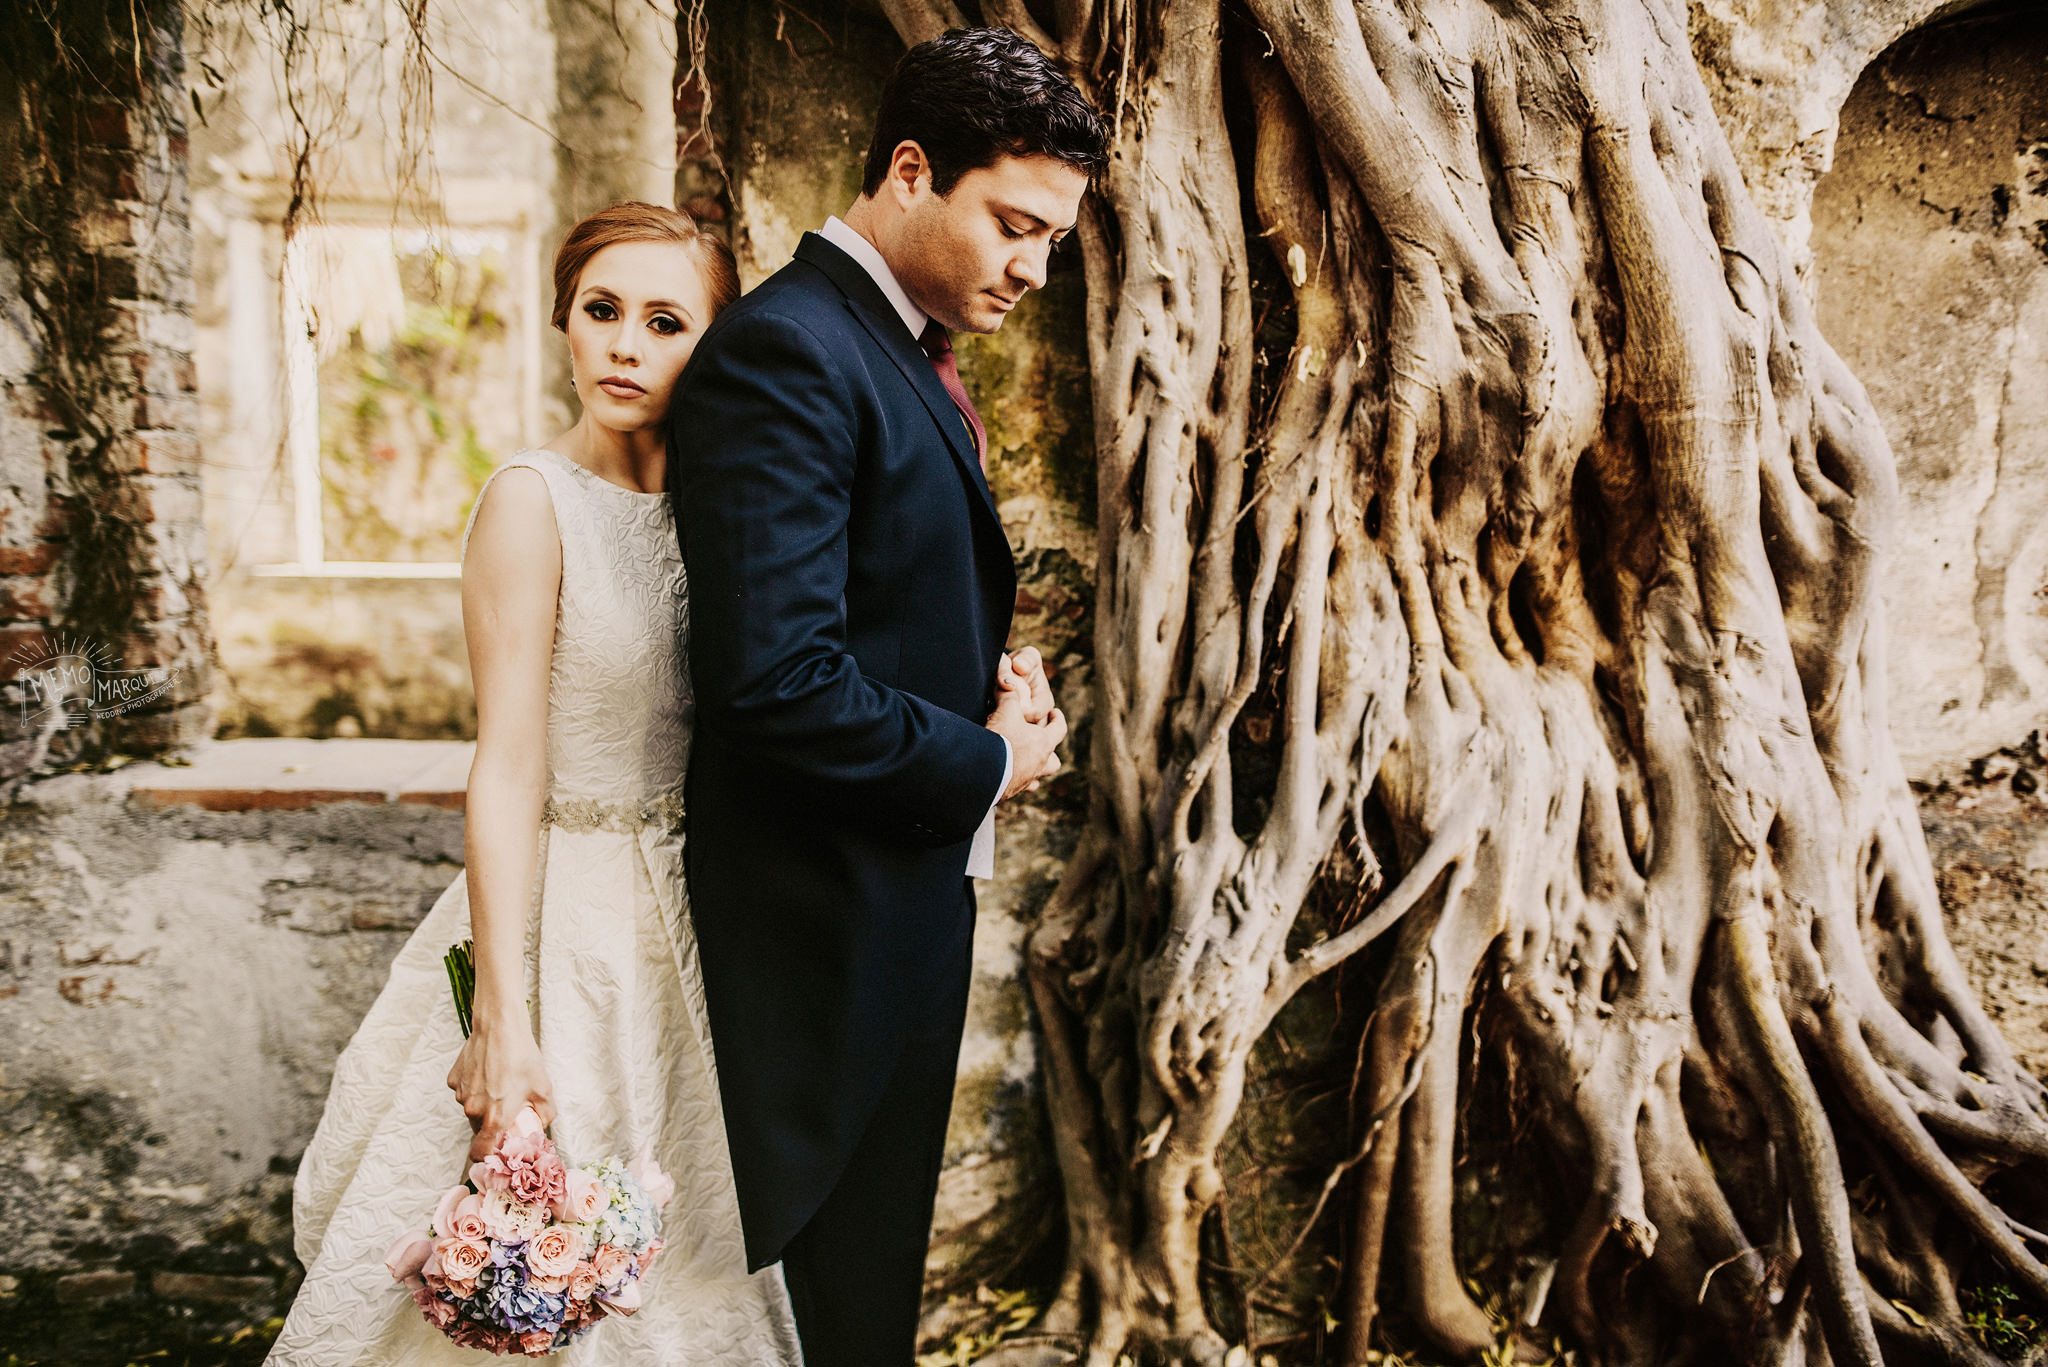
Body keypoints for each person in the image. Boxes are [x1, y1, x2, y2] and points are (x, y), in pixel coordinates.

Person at [265, 202, 804, 1367]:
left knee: (689, 1242)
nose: (624, 344)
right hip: (562, 906)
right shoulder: (530, 498)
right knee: (536, 1228)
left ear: (712, 341)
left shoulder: (727, 510)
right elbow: (505, 762)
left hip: (696, 908)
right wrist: (500, 1019)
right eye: (601, 310)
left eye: (665, 322)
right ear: (563, 316)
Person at [667, 27, 1109, 1366]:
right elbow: (776, 677)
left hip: (897, 909)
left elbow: (871, 604)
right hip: (815, 948)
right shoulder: (791, 351)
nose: (1033, 269)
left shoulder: (895, 346)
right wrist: (988, 760)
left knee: (863, 1318)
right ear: (911, 169)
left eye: (1052, 240)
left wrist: (987, 681)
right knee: (822, 1320)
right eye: (1015, 225)